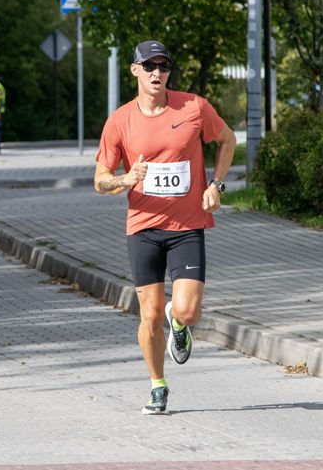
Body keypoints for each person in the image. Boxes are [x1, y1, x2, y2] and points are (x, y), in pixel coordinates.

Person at [93, 40, 236, 415]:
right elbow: (100, 180)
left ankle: (181, 321)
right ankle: (158, 385)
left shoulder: (193, 107)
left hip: (187, 225)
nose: (158, 73)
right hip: (143, 229)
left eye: (164, 66)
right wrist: (126, 180)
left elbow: (227, 140)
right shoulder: (120, 120)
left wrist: (216, 185)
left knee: (186, 312)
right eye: (150, 66)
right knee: (149, 316)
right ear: (135, 70)